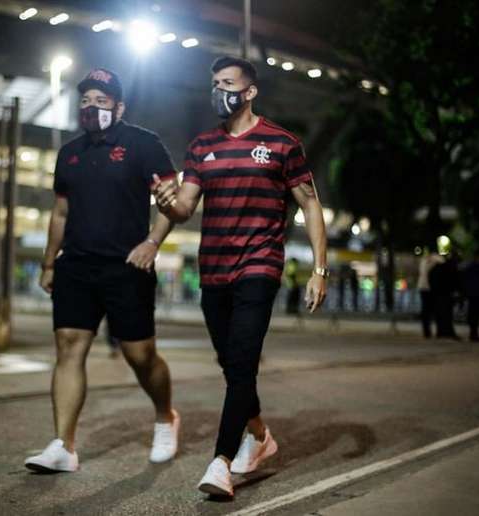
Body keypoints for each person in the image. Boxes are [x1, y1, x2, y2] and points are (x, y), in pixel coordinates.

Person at [152, 57, 328, 497]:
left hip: (260, 265)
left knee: (243, 360)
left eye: (228, 83)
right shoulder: (201, 146)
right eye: (214, 83)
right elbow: (185, 208)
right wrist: (165, 203)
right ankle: (261, 435)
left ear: (249, 92)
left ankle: (221, 461)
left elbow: (309, 204)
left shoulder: (282, 143)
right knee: (232, 366)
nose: (219, 91)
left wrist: (318, 270)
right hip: (213, 268)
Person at [24, 68, 180, 473]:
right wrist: (48, 262)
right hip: (75, 265)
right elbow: (60, 212)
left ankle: (165, 416)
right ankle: (64, 445)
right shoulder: (69, 153)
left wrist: (152, 243)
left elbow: (172, 201)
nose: (92, 106)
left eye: (101, 100)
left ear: (119, 107)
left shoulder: (143, 144)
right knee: (69, 347)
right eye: (86, 100)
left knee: (139, 355)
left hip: (127, 266)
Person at [462, 250, 479, 342]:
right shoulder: (478, 265)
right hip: (477, 292)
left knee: (473, 314)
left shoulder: (469, 266)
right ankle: (474, 334)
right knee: (475, 314)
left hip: (472, 292)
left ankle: (473, 333)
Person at [417, 247, 443, 338]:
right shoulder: (428, 261)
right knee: (429, 310)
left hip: (425, 287)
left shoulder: (425, 260)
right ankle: (428, 331)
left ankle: (428, 331)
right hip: (427, 288)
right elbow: (441, 261)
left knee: (427, 310)